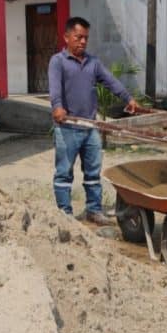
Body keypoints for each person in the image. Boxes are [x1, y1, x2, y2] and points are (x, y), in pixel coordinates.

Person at [49, 17, 138, 225]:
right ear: (67, 37)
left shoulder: (93, 62)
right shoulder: (58, 61)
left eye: (85, 38)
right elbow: (54, 88)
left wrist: (128, 98)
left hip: (90, 127)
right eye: (78, 37)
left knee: (92, 172)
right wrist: (57, 106)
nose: (82, 42)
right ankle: (65, 214)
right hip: (67, 127)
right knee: (64, 173)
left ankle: (94, 210)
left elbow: (110, 81)